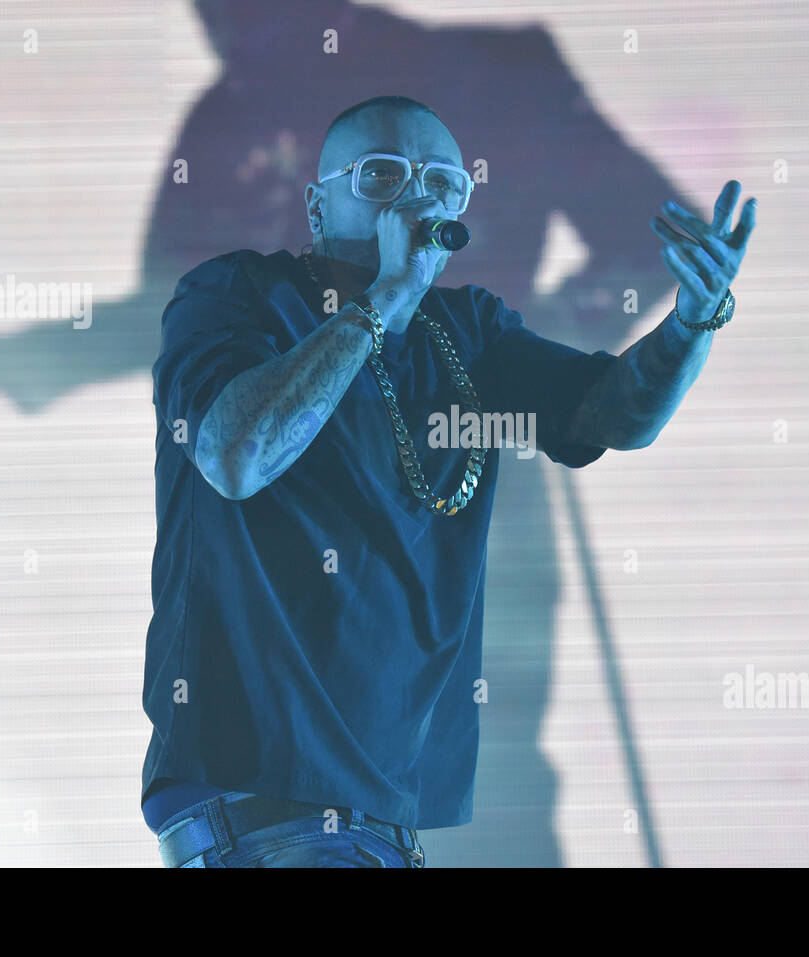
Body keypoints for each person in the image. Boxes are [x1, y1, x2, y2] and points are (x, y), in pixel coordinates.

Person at [140, 94, 756, 867]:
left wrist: (693, 321)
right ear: (317, 203)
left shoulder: (468, 332)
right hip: (260, 806)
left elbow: (615, 414)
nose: (415, 196)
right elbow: (236, 457)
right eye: (382, 175)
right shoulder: (239, 294)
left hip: (382, 823)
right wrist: (387, 295)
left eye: (441, 181)